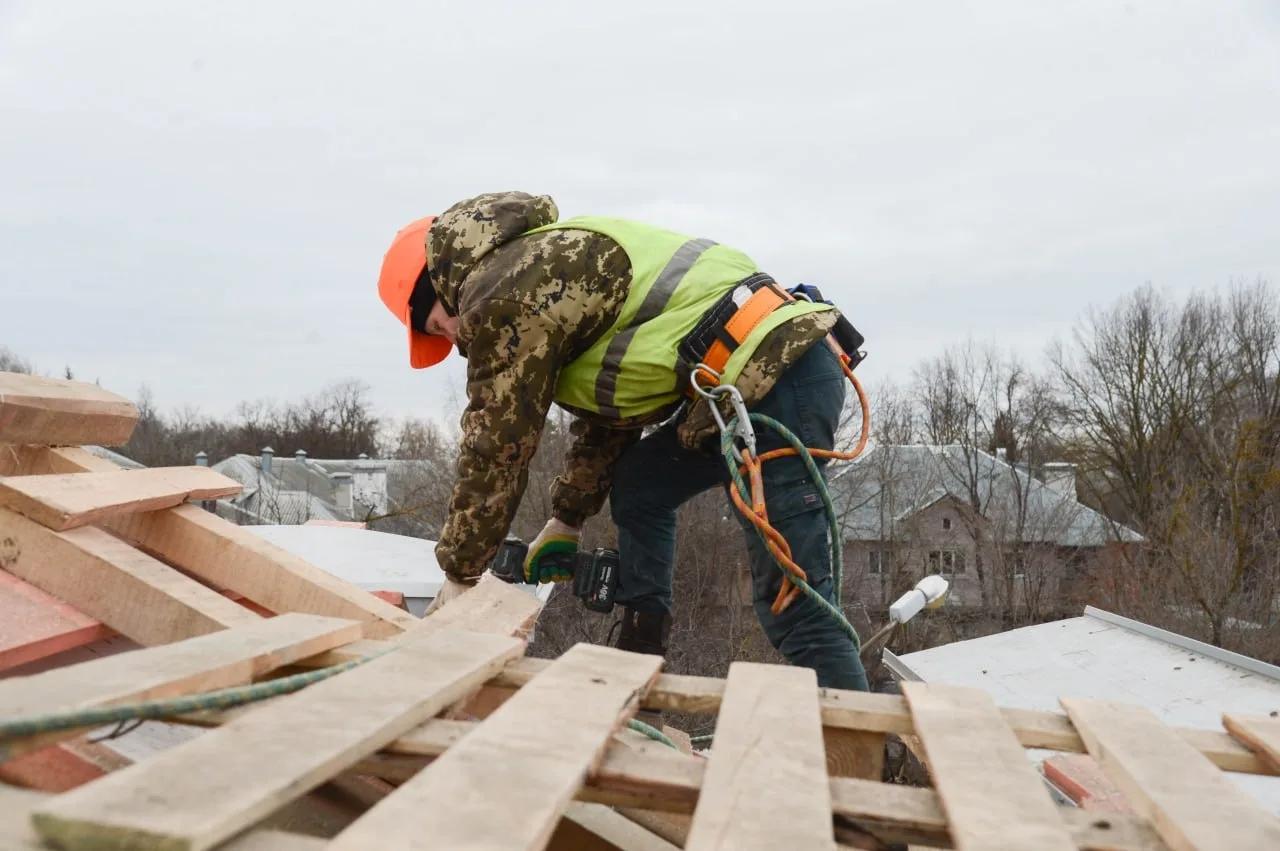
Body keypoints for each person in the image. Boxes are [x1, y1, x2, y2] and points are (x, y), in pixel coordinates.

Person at [377, 191, 868, 690]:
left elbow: (497, 443)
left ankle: (861, 732)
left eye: (440, 324)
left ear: (441, 284)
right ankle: (639, 656)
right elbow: (611, 412)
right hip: (744, 388)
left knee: (796, 608)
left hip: (777, 380)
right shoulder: (545, 262)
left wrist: (461, 572)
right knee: (641, 486)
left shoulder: (501, 295)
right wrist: (567, 519)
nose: (455, 338)